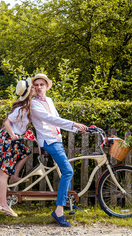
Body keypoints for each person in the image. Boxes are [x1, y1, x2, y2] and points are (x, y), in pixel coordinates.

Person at [30, 73, 87, 227]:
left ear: (47, 86)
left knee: (65, 170)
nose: (39, 87)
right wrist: (74, 124)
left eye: (42, 84)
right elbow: (50, 120)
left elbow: (57, 120)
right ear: (33, 88)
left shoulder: (49, 100)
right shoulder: (34, 104)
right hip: (48, 141)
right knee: (68, 171)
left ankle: (68, 203)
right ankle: (59, 211)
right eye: (36, 85)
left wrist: (77, 129)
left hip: (56, 139)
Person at [0, 78, 34, 217]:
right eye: (33, 88)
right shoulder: (20, 109)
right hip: (6, 140)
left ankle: (15, 176)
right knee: (4, 173)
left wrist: (24, 133)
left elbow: (20, 125)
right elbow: (6, 122)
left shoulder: (27, 107)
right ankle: (3, 205)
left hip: (11, 141)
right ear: (29, 92)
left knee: (25, 153)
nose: (35, 89)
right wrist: (12, 135)